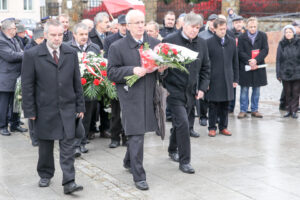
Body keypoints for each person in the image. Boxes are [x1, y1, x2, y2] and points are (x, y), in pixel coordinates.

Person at [21, 19, 85, 194]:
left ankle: (69, 181)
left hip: (67, 107)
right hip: (44, 109)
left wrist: (80, 106)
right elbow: (27, 85)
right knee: (45, 146)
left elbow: (76, 81)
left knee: (68, 146)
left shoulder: (70, 52)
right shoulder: (33, 54)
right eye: (53, 35)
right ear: (45, 35)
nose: (57, 39)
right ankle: (45, 173)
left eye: (60, 35)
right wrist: (30, 111)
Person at [107, 10, 166, 191]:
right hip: (130, 95)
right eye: (137, 23)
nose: (141, 26)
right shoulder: (117, 47)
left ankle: (128, 160)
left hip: (149, 94)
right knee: (136, 132)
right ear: (128, 26)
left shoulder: (156, 44)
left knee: (139, 132)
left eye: (142, 22)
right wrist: (131, 70)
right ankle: (139, 175)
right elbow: (111, 73)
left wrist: (163, 69)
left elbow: (162, 72)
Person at [163, 12, 210, 173]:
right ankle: (185, 161)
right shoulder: (170, 41)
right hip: (173, 91)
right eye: (192, 27)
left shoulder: (202, 44)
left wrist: (202, 88)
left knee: (179, 124)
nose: (194, 30)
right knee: (184, 123)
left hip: (191, 91)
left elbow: (206, 68)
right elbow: (161, 66)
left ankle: (172, 148)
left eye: (198, 28)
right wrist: (164, 85)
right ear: (184, 25)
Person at [67, 22, 101, 156]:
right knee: (74, 117)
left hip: (89, 88)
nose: (84, 37)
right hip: (72, 89)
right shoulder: (67, 47)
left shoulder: (94, 47)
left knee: (86, 117)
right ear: (74, 34)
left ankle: (82, 141)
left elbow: (100, 65)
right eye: (81, 34)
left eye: (86, 34)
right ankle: (74, 144)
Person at [206, 18, 239, 137]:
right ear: (214, 29)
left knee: (225, 104)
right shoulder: (208, 43)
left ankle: (223, 127)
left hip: (228, 79)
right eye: (220, 29)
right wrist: (206, 81)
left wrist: (235, 79)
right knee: (213, 105)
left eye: (224, 29)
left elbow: (235, 62)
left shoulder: (231, 42)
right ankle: (212, 127)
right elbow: (206, 63)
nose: (223, 31)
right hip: (214, 79)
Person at [103, 15, 127, 148]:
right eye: (122, 25)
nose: (124, 28)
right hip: (116, 77)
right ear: (117, 26)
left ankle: (126, 136)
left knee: (128, 111)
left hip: (130, 77)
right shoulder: (110, 40)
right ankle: (115, 137)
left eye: (126, 25)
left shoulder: (132, 39)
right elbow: (107, 58)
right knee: (115, 112)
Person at [237, 17, 269, 119]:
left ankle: (255, 110)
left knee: (256, 90)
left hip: (258, 66)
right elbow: (240, 51)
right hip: (246, 66)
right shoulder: (242, 37)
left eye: (254, 26)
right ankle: (243, 110)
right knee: (244, 90)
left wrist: (256, 60)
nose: (253, 28)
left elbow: (265, 49)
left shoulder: (263, 35)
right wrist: (249, 61)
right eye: (250, 27)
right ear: (247, 26)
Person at [0, 19, 25, 136]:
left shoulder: (14, 39)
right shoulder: (1, 41)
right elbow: (10, 56)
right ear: (10, 30)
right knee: (4, 104)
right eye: (15, 28)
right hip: (5, 78)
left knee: (17, 102)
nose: (16, 30)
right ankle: (2, 126)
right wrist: (26, 54)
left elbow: (19, 52)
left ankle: (15, 124)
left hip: (16, 76)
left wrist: (23, 54)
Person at [89, 12, 111, 138]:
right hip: (94, 72)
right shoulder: (90, 36)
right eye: (106, 22)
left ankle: (105, 128)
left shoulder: (110, 35)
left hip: (107, 72)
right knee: (93, 103)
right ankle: (91, 128)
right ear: (98, 23)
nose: (108, 24)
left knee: (106, 102)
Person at [24, 28, 45, 146]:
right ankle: (34, 137)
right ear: (36, 38)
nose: (43, 41)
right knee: (33, 115)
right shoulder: (29, 49)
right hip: (33, 83)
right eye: (41, 38)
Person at [276, 25, 300, 119]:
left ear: (293, 33)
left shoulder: (298, 42)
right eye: (286, 32)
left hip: (297, 71)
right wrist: (278, 73)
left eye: (290, 32)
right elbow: (278, 60)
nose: (288, 34)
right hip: (285, 72)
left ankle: (294, 111)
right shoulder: (281, 43)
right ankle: (288, 110)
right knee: (287, 92)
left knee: (295, 92)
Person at [197, 13, 217, 127]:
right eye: (211, 21)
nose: (213, 23)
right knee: (203, 94)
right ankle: (203, 116)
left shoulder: (220, 35)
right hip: (203, 69)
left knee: (215, 95)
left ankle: (214, 116)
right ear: (208, 22)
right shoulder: (202, 35)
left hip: (216, 70)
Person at [227, 15, 245, 113]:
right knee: (232, 85)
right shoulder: (229, 33)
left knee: (244, 86)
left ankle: (244, 107)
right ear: (233, 24)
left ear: (243, 23)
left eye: (240, 22)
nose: (238, 24)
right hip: (232, 62)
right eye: (236, 22)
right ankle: (230, 106)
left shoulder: (246, 33)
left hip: (243, 62)